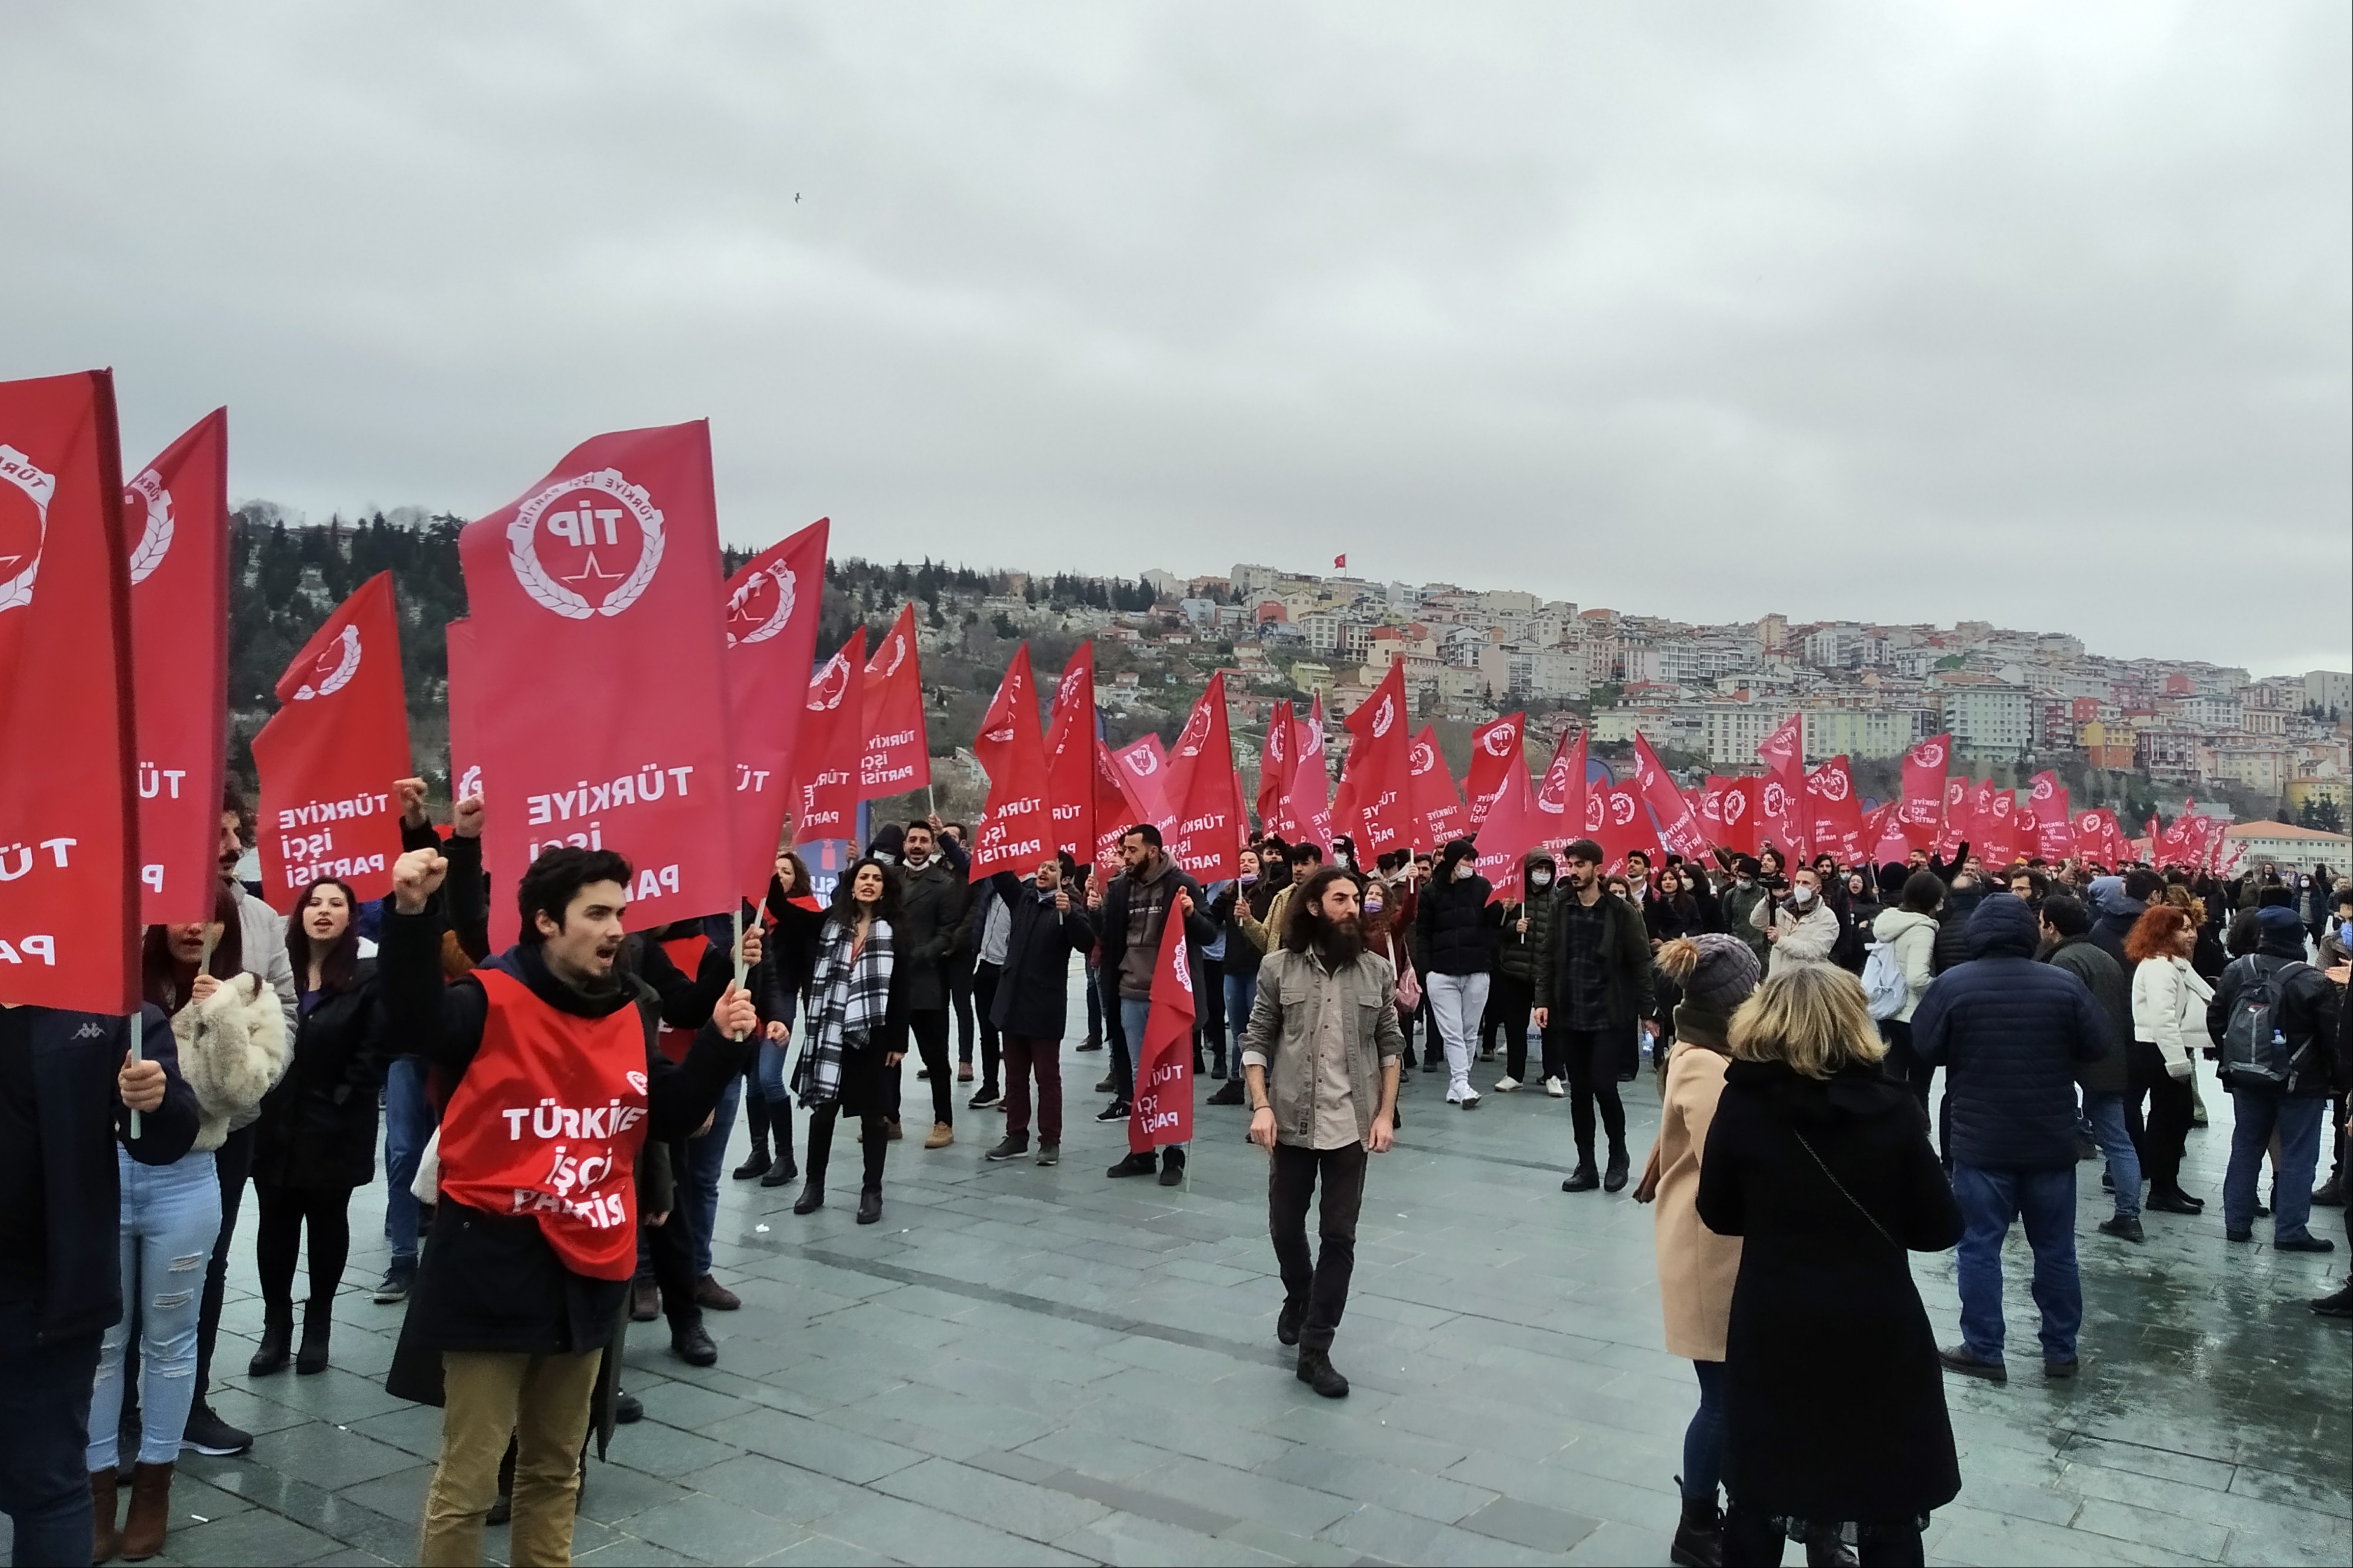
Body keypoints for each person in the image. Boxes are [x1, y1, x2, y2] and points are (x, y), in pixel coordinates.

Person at [382, 842, 754, 1566]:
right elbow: (412, 1024)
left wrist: (719, 1039)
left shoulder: (630, 1008)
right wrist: (411, 913)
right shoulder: (486, 997)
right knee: (469, 1479)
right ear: (547, 921)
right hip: (489, 1261)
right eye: (597, 912)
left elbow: (668, 1113)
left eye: (620, 910)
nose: (617, 927)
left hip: (593, 1262)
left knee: (556, 1470)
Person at [1696, 963, 1962, 1566]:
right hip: (1875, 1319)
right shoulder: (1890, 1108)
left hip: (1775, 1315)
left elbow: (1717, 1210)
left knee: (1760, 1489)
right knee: (1886, 1496)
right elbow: (1940, 1226)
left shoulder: (1742, 1103)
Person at [93, 900, 288, 1562]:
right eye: (175, 914)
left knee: (172, 1342)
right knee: (104, 1342)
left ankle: (154, 1487)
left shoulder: (250, 995)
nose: (191, 927)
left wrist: (221, 1013)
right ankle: (95, 1493)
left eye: (206, 916)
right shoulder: (114, 988)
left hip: (188, 1176)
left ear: (224, 928)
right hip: (106, 1176)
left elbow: (242, 1094)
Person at [1, 994, 195, 1566]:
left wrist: (155, 1100)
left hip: (48, 1297)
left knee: (50, 1482)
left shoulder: (112, 1004)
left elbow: (168, 1136)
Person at [1911, 893, 2108, 1383]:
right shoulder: (2063, 985)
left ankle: (1984, 1347)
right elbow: (2099, 1045)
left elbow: (1924, 1047)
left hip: (1981, 1140)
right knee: (2057, 1248)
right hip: (2050, 1139)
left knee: (1979, 1246)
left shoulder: (1954, 985)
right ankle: (2061, 1350)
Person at [1239, 866, 1405, 1400]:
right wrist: (1261, 1105)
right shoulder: (1277, 969)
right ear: (1315, 907)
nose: (1354, 908)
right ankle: (1300, 1292)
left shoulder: (1376, 972)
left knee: (1339, 1237)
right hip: (1288, 1121)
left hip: (1349, 1128)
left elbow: (1390, 1047)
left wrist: (1384, 1116)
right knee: (1286, 1227)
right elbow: (1257, 1038)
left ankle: (1316, 1348)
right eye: (1341, 899)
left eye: (1357, 898)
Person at [1632, 935, 1761, 1568]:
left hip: (1724, 1238)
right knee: (1722, 1392)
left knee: (1735, 1387)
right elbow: (1728, 1159)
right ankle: (1697, 1521)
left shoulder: (1715, 1045)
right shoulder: (1705, 1061)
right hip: (1709, 1244)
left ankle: (1733, 1503)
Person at [181, 788, 301, 1462]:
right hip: (146, 1125)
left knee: (210, 1261)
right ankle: (125, 1405)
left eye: (236, 831)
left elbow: (285, 1011)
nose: (231, 846)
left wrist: (250, 1081)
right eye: (216, 833)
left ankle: (190, 1399)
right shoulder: (144, 910)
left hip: (232, 1124)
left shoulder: (261, 919)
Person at [249, 877, 384, 1379]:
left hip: (336, 1124)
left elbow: (376, 1049)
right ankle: (275, 1327)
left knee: (327, 1224)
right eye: (314, 903)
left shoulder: (369, 974)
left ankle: (318, 1325)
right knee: (275, 1225)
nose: (323, 912)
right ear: (299, 913)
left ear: (352, 916)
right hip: (275, 1120)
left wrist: (346, 1096)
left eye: (337, 904)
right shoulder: (271, 970)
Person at [379, 782, 487, 1306]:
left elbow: (473, 940)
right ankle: (403, 1259)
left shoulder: (492, 908)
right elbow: (430, 872)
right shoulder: (437, 888)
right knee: (402, 1150)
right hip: (413, 1040)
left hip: (467, 1040)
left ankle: (446, 1253)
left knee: (452, 1153)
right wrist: (416, 821)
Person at [2207, 905, 2341, 1250]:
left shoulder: (2237, 970)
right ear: (2298, 939)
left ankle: (2236, 1222)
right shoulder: (2313, 980)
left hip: (2247, 1077)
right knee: (2298, 1153)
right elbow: (2331, 1038)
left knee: (2246, 1146)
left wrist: (2230, 1060)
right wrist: (2334, 1077)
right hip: (2301, 1083)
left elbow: (2217, 1018)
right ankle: (2291, 1230)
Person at [1092, 824, 1218, 1185]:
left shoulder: (1182, 884)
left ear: (1153, 850)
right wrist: (1094, 911)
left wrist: (1193, 914)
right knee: (1138, 1074)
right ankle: (1143, 1151)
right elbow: (1111, 939)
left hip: (1170, 998)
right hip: (1131, 993)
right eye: (1124, 850)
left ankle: (1174, 1152)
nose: (1126, 856)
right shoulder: (1119, 888)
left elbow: (1210, 933)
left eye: (1132, 850)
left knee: (1172, 1075)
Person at [789, 856, 911, 1223]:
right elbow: (791, 916)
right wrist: (767, 879)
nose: (869, 883)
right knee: (823, 1111)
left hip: (874, 1034)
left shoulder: (895, 930)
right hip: (831, 1031)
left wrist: (898, 1041)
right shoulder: (831, 923)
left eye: (876, 878)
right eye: (863, 877)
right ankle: (814, 1185)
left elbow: (902, 988)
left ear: (885, 887)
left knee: (874, 1117)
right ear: (852, 885)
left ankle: (872, 1191)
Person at [1533, 838, 1655, 1194]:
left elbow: (1640, 963)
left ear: (1597, 868)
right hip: (1570, 1011)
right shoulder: (1562, 907)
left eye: (1580, 865)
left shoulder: (1620, 911)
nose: (1573, 871)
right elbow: (1547, 955)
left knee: (1604, 1086)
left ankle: (1619, 1155)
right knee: (1580, 1092)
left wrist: (1648, 1011)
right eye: (1570, 864)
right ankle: (1586, 1164)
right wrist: (1542, 999)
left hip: (1608, 1013)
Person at [2037, 894, 2143, 1243]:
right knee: (2118, 1140)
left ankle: (2046, 1209)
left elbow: (2056, 1017)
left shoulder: (2063, 962)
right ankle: (2129, 1215)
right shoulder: (2104, 957)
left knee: (2055, 1140)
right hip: (2109, 1060)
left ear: (2051, 927)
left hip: (2071, 1064)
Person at [983, 854, 1095, 1166]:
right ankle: (1016, 1135)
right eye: (1042, 866)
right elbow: (999, 873)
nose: (1043, 872)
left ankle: (1050, 1141)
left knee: (1047, 1077)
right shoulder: (1026, 897)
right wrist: (999, 842)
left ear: (1066, 878)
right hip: (1013, 1001)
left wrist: (1070, 913)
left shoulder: (1069, 906)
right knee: (1015, 1076)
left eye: (1052, 868)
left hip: (1044, 1004)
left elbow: (1087, 943)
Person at [884, 819, 968, 1150]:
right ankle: (890, 1117)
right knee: (889, 1054)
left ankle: (943, 1121)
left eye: (923, 840)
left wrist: (917, 956)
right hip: (890, 985)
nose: (917, 845)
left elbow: (948, 932)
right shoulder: (889, 880)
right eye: (912, 840)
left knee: (935, 1058)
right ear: (904, 845)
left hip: (926, 983)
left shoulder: (945, 883)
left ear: (933, 846)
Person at [2127, 903, 2214, 1216]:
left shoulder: (2174, 963)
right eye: (2184, 928)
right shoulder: (2159, 967)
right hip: (2159, 1051)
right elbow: (2163, 1018)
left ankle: (2168, 1184)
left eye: (2192, 928)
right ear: (2165, 932)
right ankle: (2161, 1189)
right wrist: (2178, 1063)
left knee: (2176, 1120)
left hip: (2168, 1049)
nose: (2192, 934)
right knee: (2168, 1121)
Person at [744, 849, 825, 1187]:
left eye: (785, 871)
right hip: (752, 999)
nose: (779, 875)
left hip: (785, 999)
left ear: (798, 878)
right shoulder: (751, 914)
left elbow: (809, 960)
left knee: (769, 1076)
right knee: (752, 1079)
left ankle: (785, 1157)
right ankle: (758, 1152)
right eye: (774, 870)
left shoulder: (802, 913)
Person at [1415, 838, 1503, 1109]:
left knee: (1469, 1031)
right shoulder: (1431, 891)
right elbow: (1423, 932)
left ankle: (1458, 1085)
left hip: (1476, 969)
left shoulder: (1483, 887)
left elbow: (1493, 924)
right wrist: (1427, 970)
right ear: (1453, 861)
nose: (1471, 865)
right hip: (1441, 973)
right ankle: (1462, 1082)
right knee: (1452, 1031)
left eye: (1473, 860)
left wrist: (1504, 908)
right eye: (1466, 860)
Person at [1873, 872, 1942, 1120]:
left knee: (1892, 1078)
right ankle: (1918, 1131)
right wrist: (1941, 986)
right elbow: (1917, 978)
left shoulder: (1889, 922)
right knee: (1919, 1084)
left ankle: (1891, 1127)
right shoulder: (1923, 929)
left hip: (1889, 1008)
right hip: (1914, 1014)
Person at [1491, 850, 1559, 1095]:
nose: (1542, 874)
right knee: (1515, 1025)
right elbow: (1495, 931)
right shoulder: (1514, 897)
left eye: (1546, 870)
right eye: (1537, 869)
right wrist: (1510, 924)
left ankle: (1552, 1074)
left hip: (1545, 975)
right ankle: (1514, 1074)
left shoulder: (1558, 900)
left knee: (1550, 1026)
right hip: (1515, 971)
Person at [1207, 849, 1269, 1106]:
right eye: (1241, 861)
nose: (1245, 865)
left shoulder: (1268, 893)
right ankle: (1236, 1080)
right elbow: (1210, 919)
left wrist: (1250, 916)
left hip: (1257, 968)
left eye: (1251, 861)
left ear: (1260, 867)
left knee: (1259, 1028)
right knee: (1237, 1028)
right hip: (1232, 968)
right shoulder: (1230, 894)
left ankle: (1263, 1084)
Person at [1748, 865, 1839, 975]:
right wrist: (1769, 899)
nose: (1800, 887)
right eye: (1797, 882)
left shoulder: (1827, 917)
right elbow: (1757, 922)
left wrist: (1780, 941)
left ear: (1818, 889)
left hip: (1804, 982)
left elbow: (1814, 951)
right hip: (1777, 979)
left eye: (1806, 883)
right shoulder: (1784, 910)